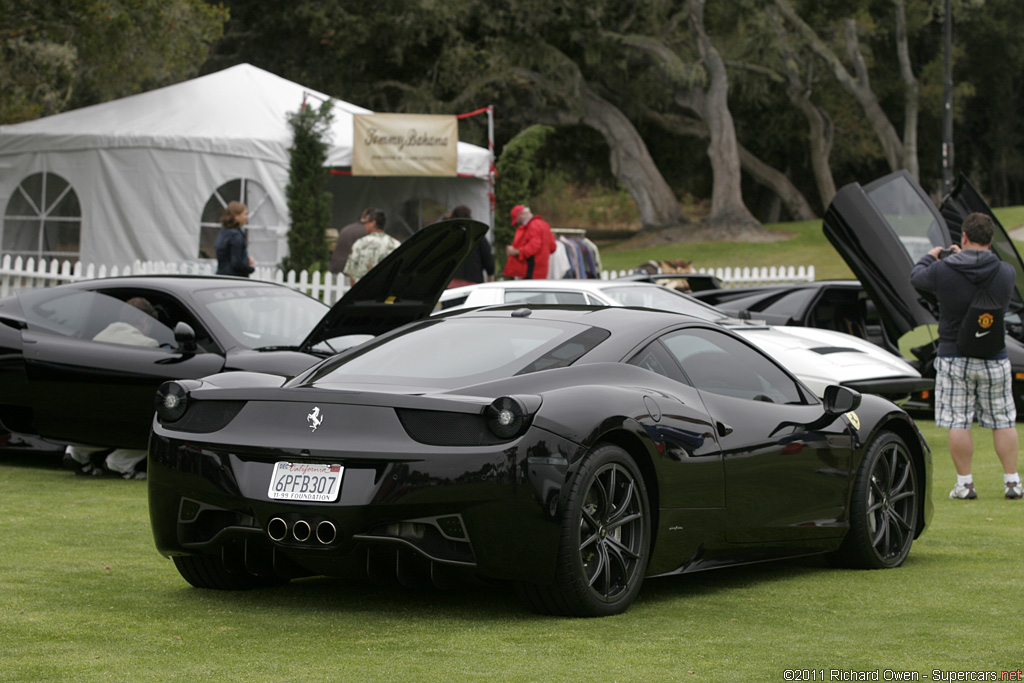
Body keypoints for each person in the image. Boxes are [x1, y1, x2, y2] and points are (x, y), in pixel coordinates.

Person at [910, 212, 1022, 500]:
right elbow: (985, 267)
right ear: (991, 239)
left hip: (953, 355)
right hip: (994, 354)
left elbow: (916, 278)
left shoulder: (943, 269)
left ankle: (965, 484)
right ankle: (1013, 482)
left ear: (964, 237)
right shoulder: (1006, 272)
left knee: (958, 421)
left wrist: (932, 257)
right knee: (1004, 420)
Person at [63, 297, 161, 480]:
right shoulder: (148, 345)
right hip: (124, 412)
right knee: (156, 420)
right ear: (144, 320)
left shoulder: (98, 337)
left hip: (88, 409)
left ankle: (77, 452)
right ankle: (121, 463)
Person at [344, 209, 400, 283]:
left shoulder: (360, 244)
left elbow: (352, 274)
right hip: (386, 292)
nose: (364, 226)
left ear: (373, 223)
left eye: (366, 222)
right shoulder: (395, 244)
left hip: (364, 291)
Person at [502, 205, 556, 280]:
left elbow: (533, 247)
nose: (519, 223)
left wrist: (516, 252)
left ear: (521, 215)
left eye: (517, 220)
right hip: (542, 271)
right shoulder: (544, 225)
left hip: (531, 270)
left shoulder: (532, 225)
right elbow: (553, 247)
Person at [447, 205, 495, 288]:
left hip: (451, 281)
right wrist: (490, 273)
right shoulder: (477, 235)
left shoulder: (449, 236)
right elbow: (487, 256)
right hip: (473, 281)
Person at [329, 208, 374, 276]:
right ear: (368, 217)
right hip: (350, 271)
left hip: (336, 268)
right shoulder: (365, 231)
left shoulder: (347, 228)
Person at [215, 201, 255, 277]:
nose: (247, 217)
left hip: (221, 276)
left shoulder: (223, 233)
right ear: (236, 216)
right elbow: (237, 262)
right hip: (235, 278)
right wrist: (251, 268)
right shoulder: (236, 235)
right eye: (245, 214)